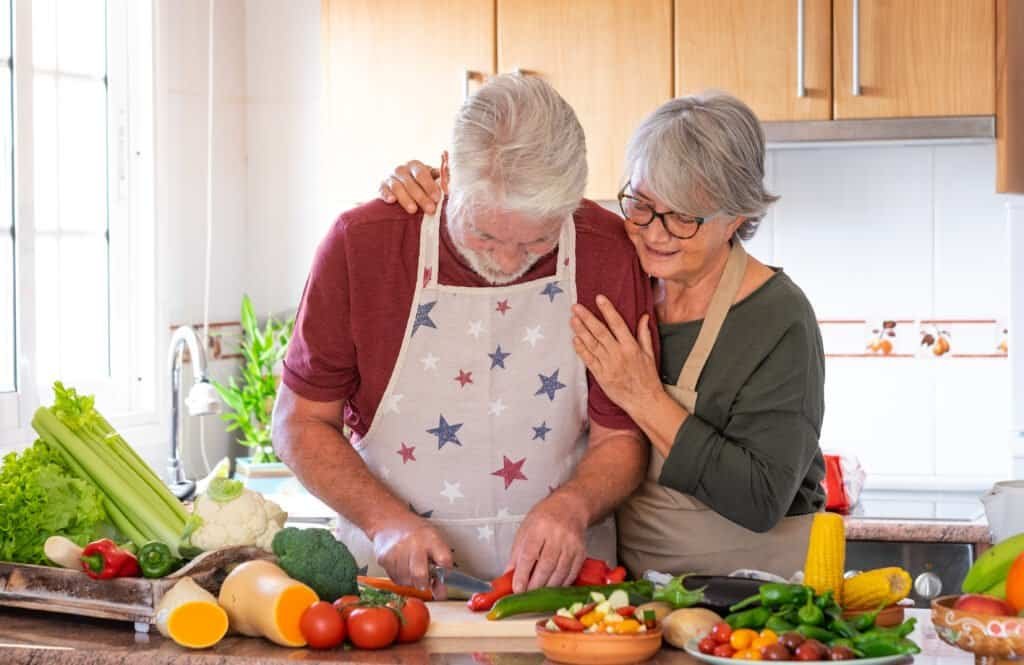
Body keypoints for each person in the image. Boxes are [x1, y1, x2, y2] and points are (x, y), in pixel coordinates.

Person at [379, 91, 826, 578]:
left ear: (736, 217)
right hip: (640, 597)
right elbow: (514, 199)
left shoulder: (778, 318)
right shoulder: (622, 269)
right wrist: (438, 186)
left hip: (762, 600)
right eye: (641, 204)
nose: (655, 234)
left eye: (683, 218)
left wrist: (644, 397)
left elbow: (760, 499)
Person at [272, 74, 656, 596]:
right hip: (394, 600)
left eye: (538, 241)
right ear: (447, 172)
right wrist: (385, 520)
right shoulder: (361, 245)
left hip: (557, 601)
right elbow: (299, 424)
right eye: (484, 233)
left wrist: (575, 504)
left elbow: (624, 437)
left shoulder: (607, 251)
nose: (505, 262)